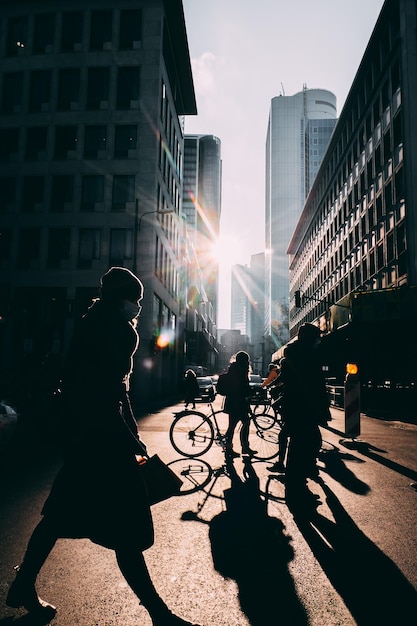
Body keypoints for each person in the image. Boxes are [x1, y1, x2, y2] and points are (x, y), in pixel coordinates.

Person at [5, 267, 200, 626]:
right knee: (125, 528)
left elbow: (115, 389)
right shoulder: (113, 331)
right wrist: (127, 436)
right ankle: (160, 614)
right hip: (102, 442)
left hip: (85, 438)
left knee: (60, 516)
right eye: (135, 300)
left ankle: (22, 585)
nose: (138, 308)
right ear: (120, 298)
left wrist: (129, 432)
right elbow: (107, 392)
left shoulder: (94, 322)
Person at [275, 323, 331, 510]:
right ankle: (297, 491)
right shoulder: (305, 356)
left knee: (305, 445)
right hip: (303, 408)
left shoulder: (296, 354)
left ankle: (297, 488)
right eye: (315, 337)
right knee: (304, 446)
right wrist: (320, 404)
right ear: (307, 337)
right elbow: (311, 383)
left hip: (298, 408)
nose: (318, 341)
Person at [223, 351, 257, 458]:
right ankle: (243, 447)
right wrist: (251, 392)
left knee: (234, 426)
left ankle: (232, 448)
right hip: (238, 403)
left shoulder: (234, 368)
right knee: (243, 424)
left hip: (234, 402)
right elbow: (242, 387)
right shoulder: (240, 370)